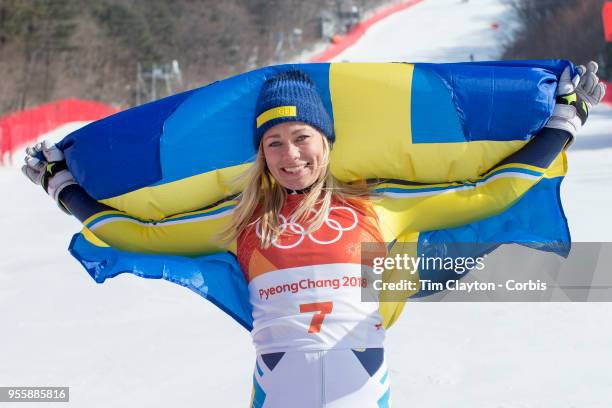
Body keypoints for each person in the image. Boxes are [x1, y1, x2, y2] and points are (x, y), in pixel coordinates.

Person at [22, 62, 605, 407]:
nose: (289, 153)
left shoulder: (378, 210)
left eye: (302, 137)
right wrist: (62, 185)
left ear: (325, 143)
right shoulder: (241, 227)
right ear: (261, 156)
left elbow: (488, 192)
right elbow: (136, 235)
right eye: (274, 143)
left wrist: (562, 121)